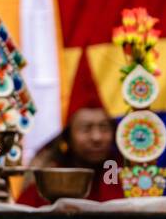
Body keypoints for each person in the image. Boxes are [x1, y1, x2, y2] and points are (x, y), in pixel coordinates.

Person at [19, 57, 124, 206]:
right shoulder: (50, 174)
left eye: (104, 127)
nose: (97, 137)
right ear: (68, 136)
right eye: (86, 129)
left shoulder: (119, 169)